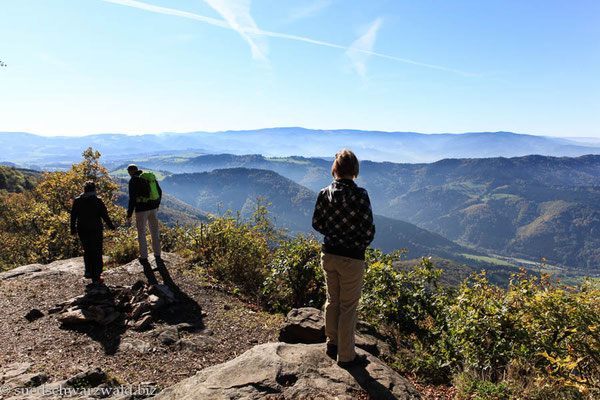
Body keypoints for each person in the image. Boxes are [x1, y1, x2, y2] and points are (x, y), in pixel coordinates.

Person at [312, 149, 375, 367]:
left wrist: (334, 233)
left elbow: (317, 224)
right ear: (354, 170)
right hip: (352, 257)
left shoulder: (324, 193)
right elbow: (368, 229)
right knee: (348, 307)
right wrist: (356, 243)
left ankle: (332, 344)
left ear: (336, 169)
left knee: (332, 300)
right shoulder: (361, 195)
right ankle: (347, 356)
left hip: (329, 253)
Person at [126, 164, 174, 286]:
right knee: (154, 231)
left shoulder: (134, 180)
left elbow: (132, 198)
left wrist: (129, 214)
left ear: (130, 172)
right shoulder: (150, 177)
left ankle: (144, 256)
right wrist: (157, 205)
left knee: (141, 233)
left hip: (141, 210)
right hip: (153, 208)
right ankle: (157, 254)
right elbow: (160, 191)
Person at [70, 181, 116, 285]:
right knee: (97, 251)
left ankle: (88, 271)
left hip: (82, 229)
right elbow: (105, 215)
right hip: (95, 229)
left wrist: (73, 230)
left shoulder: (77, 201)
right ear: (94, 190)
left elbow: (73, 216)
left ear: (84, 190)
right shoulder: (97, 201)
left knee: (87, 250)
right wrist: (111, 227)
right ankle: (97, 275)